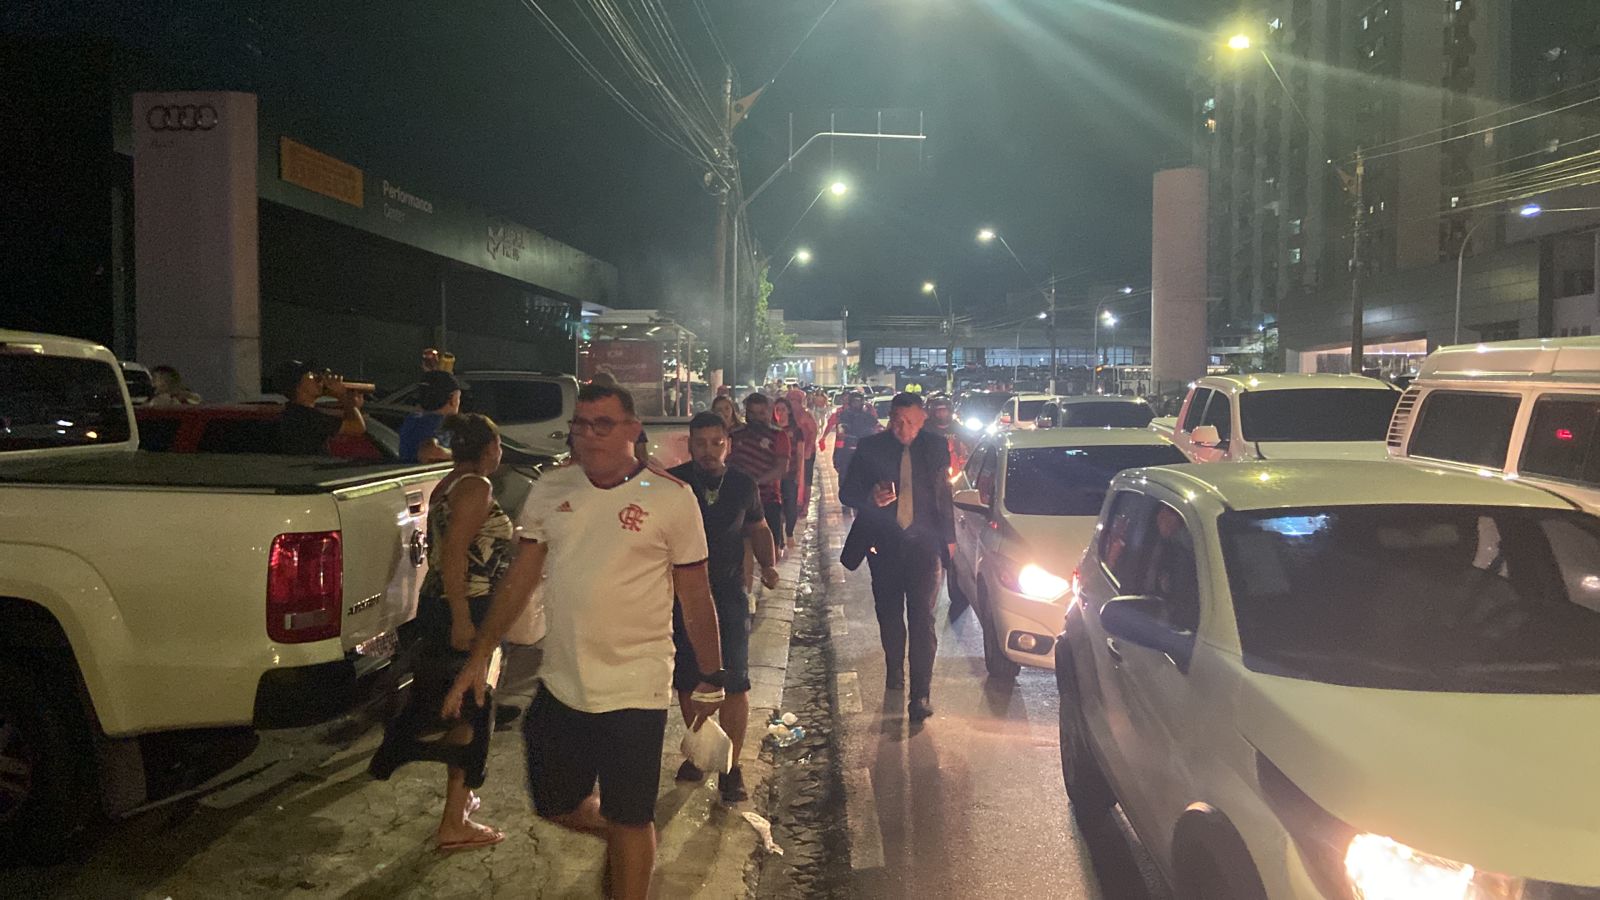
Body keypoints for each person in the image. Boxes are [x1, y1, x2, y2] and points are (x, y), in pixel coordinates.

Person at [442, 383, 725, 900]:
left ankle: (630, 851)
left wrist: (712, 676)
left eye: (602, 424)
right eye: (581, 424)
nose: (588, 435)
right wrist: (479, 655)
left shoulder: (671, 498)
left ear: (633, 431)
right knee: (553, 804)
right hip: (562, 682)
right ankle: (623, 843)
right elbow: (521, 579)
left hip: (636, 686)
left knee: (632, 815)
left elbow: (696, 596)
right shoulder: (551, 488)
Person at [369, 414, 510, 851]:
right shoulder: (477, 487)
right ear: (491, 449)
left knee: (461, 704)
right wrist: (465, 619)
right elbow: (454, 558)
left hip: (446, 604)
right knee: (474, 708)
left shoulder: (451, 482)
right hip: (465, 607)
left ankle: (460, 800)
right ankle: (453, 821)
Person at [668, 412, 780, 803]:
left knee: (734, 682)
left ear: (728, 445)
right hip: (680, 597)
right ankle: (699, 755)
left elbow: (758, 526)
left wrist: (768, 564)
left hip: (729, 595)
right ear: (690, 446)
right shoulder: (673, 483)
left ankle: (732, 768)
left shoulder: (743, 484)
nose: (709, 451)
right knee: (687, 680)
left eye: (717, 443)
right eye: (701, 443)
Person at [839, 393, 955, 722]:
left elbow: (942, 494)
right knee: (890, 614)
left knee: (922, 618)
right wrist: (869, 498)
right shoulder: (870, 448)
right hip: (884, 543)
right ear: (890, 418)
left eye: (910, 422)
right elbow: (846, 492)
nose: (903, 428)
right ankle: (894, 669)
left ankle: (921, 694)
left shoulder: (935, 446)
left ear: (922, 421)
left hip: (924, 544)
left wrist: (950, 540)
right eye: (897, 421)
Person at [728, 393, 792, 555]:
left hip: (768, 499)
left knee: (771, 551)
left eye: (761, 413)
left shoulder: (779, 436)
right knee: (742, 550)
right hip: (738, 501)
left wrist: (753, 483)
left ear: (769, 413)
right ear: (746, 413)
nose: (756, 418)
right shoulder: (734, 435)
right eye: (752, 413)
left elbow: (781, 468)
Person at [274, 360, 368, 456]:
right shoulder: (304, 417)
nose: (317, 378)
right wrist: (343, 396)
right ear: (297, 385)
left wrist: (351, 404)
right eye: (310, 375)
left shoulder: (295, 413)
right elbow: (357, 427)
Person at [823, 392, 881, 502]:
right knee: (844, 468)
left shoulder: (867, 415)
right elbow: (841, 426)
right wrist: (842, 431)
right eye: (855, 401)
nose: (857, 403)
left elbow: (876, 425)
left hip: (864, 446)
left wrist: (880, 431)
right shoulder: (845, 414)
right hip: (849, 445)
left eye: (859, 401)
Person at [398, 370, 465, 463]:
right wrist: (465, 457)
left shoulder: (412, 420)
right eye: (459, 398)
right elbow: (429, 452)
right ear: (453, 399)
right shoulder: (440, 424)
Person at [773, 397, 805, 543]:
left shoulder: (796, 431)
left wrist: (799, 472)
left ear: (789, 412)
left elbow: (800, 453)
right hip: (774, 475)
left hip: (790, 473)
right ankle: (778, 538)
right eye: (777, 410)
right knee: (775, 506)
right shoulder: (771, 430)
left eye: (783, 409)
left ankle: (790, 533)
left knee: (790, 504)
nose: (780, 413)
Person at [788, 389, 819, 514]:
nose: (793, 404)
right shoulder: (787, 415)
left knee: (806, 479)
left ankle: (805, 506)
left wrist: (808, 449)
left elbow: (813, 432)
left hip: (807, 452)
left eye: (795, 401)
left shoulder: (806, 415)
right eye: (791, 400)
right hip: (791, 453)